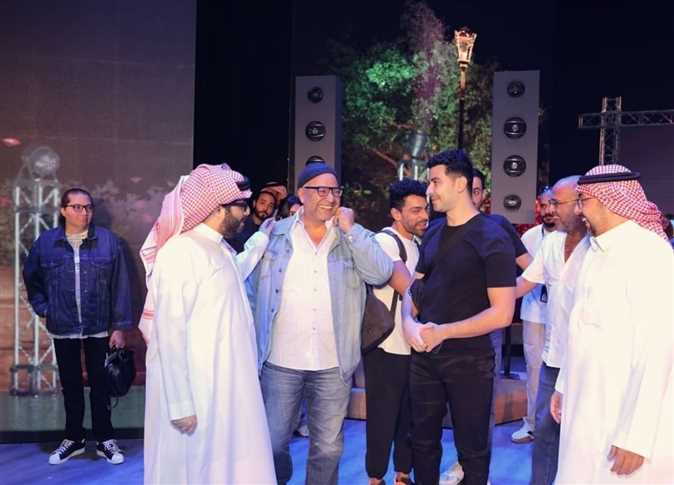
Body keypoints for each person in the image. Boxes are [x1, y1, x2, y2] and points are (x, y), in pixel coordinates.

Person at [248, 162, 393, 485]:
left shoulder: (350, 235)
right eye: (322, 190)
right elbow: (251, 292)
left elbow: (381, 273)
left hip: (333, 363)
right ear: (302, 194)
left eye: (335, 191)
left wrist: (351, 230)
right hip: (279, 362)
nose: (330, 197)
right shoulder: (274, 234)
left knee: (327, 449)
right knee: (272, 443)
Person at [140, 164, 276, 484]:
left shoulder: (218, 249)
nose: (246, 213)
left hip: (224, 385)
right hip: (195, 393)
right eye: (241, 206)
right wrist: (180, 403)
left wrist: (260, 241)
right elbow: (169, 333)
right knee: (193, 470)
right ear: (217, 208)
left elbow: (236, 272)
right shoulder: (180, 252)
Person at [551, 164, 673, 483]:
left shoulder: (651, 254)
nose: (579, 211)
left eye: (584, 201)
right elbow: (579, 325)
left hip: (621, 411)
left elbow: (659, 351)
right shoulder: (593, 250)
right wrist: (563, 385)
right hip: (584, 402)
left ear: (608, 200)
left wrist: (636, 435)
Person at [401, 149, 516, 485]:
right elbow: (415, 288)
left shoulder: (493, 237)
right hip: (424, 357)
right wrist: (408, 321)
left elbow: (503, 313)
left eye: (435, 182)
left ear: (460, 184)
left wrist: (444, 331)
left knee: (473, 452)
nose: (429, 191)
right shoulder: (434, 232)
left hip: (470, 362)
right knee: (421, 443)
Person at [23, 187, 132, 465]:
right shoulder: (46, 243)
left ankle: (105, 439)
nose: (84, 213)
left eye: (88, 207)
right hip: (63, 325)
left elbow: (120, 285)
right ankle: (74, 438)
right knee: (70, 385)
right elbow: (32, 279)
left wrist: (119, 327)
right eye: (77, 207)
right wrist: (45, 308)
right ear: (63, 210)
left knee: (100, 384)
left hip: (99, 325)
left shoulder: (108, 242)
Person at [515, 176, 589, 484]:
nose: (550, 209)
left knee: (581, 438)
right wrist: (480, 297)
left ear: (580, 204)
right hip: (553, 359)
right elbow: (523, 283)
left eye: (558, 203)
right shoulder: (551, 243)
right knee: (545, 435)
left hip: (586, 363)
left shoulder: (598, 247)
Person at [366, 178, 429, 485]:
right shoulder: (384, 241)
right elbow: (408, 288)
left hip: (414, 345)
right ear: (396, 213)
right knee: (382, 417)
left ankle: (403, 475)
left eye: (425, 209)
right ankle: (375, 477)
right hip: (387, 345)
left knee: (410, 417)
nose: (424, 216)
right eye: (415, 210)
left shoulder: (418, 244)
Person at [511, 190, 557, 444]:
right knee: (534, 370)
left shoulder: (576, 237)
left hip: (561, 317)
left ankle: (556, 427)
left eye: (553, 204)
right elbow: (523, 278)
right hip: (534, 313)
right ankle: (531, 423)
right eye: (544, 205)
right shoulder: (529, 237)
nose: (548, 210)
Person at [227, 187, 278, 252]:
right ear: (254, 203)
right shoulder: (240, 225)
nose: (266, 208)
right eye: (262, 203)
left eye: (270, 206)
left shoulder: (270, 230)